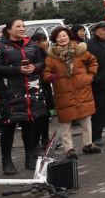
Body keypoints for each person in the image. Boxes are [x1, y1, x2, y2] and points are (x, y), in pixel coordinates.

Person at [0, 19, 49, 173]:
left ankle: (30, 157)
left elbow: (42, 61)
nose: (22, 28)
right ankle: (6, 161)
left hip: (31, 92)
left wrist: (35, 66)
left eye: (23, 26)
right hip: (9, 93)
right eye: (18, 26)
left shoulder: (31, 45)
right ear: (9, 29)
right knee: (9, 127)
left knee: (29, 125)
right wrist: (18, 70)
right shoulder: (0, 47)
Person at [42, 26, 101, 159]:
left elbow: (93, 62)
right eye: (58, 37)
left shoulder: (80, 50)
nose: (62, 38)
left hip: (83, 90)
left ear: (69, 36)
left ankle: (88, 144)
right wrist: (50, 77)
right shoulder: (51, 57)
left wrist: (90, 76)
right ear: (55, 40)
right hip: (63, 92)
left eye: (64, 35)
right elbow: (45, 73)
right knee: (65, 122)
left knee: (86, 119)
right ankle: (69, 149)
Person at [29, 32, 55, 150]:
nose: (46, 43)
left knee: (45, 115)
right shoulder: (34, 51)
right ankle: (38, 142)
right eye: (44, 40)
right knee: (39, 116)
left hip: (44, 86)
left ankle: (45, 140)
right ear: (36, 42)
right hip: (37, 87)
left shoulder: (44, 52)